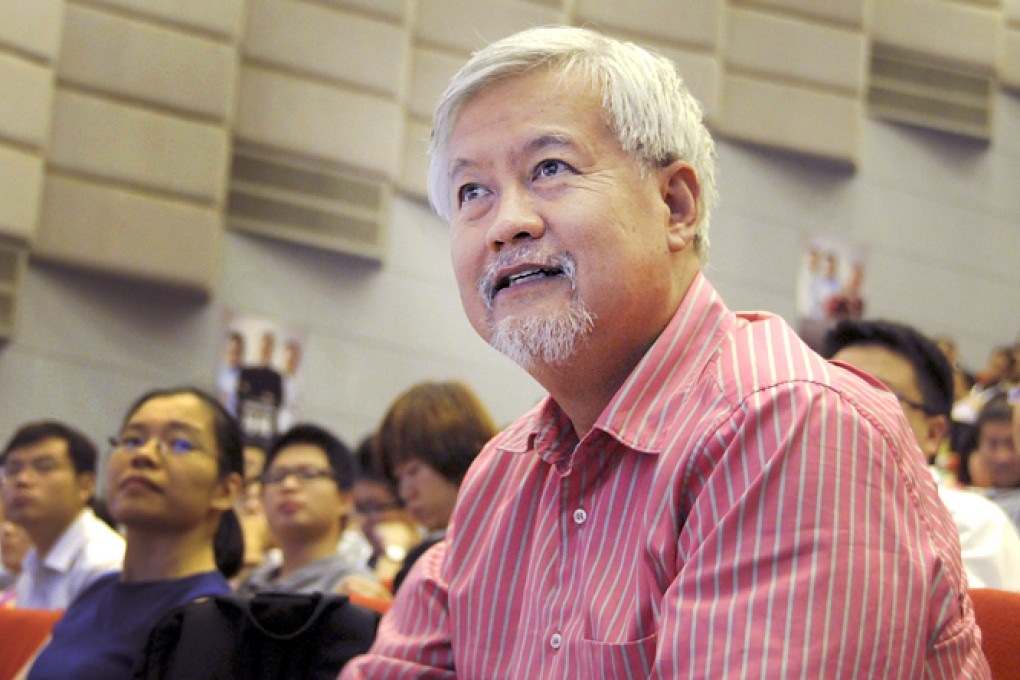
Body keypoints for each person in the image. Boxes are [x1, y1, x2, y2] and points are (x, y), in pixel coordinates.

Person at [341, 26, 988, 677]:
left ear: (675, 205)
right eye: (470, 193)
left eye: (550, 169)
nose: (507, 222)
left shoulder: (793, 427)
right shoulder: (502, 474)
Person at [24, 387, 243, 679]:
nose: (143, 454)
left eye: (179, 444)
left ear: (226, 490)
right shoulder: (97, 589)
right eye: (132, 440)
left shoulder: (212, 620)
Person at [823, 319, 1020, 591]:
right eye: (828, 392)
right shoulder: (783, 513)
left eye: (874, 394)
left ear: (933, 434)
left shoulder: (971, 528)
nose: (842, 410)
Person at [372, 381, 496, 593]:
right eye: (398, 478)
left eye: (413, 471)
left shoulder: (442, 556)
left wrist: (391, 556)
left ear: (459, 456)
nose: (405, 492)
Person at [236, 423, 378, 597]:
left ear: (345, 499)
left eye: (307, 474)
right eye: (277, 476)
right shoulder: (252, 583)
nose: (288, 485)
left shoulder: (353, 590)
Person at [0, 421, 124, 609]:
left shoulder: (103, 565)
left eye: (43, 467)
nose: (22, 480)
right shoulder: (33, 563)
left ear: (85, 486)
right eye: (13, 470)